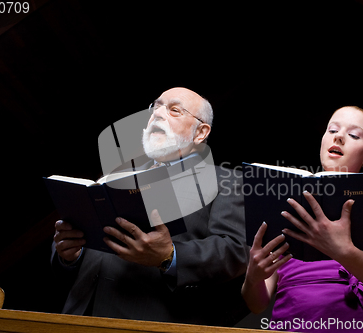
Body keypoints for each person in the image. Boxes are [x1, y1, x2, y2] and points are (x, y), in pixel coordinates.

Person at [52, 87, 250, 326]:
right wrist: (69, 254)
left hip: (150, 321)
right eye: (155, 107)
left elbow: (234, 251)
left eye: (174, 110)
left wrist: (170, 256)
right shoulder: (114, 177)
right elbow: (77, 243)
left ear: (201, 132)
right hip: (75, 318)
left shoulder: (225, 181)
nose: (158, 114)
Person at [241, 106, 363, 333]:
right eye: (332, 130)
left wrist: (343, 251)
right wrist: (253, 278)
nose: (339, 136)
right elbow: (257, 304)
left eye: (353, 135)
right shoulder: (285, 199)